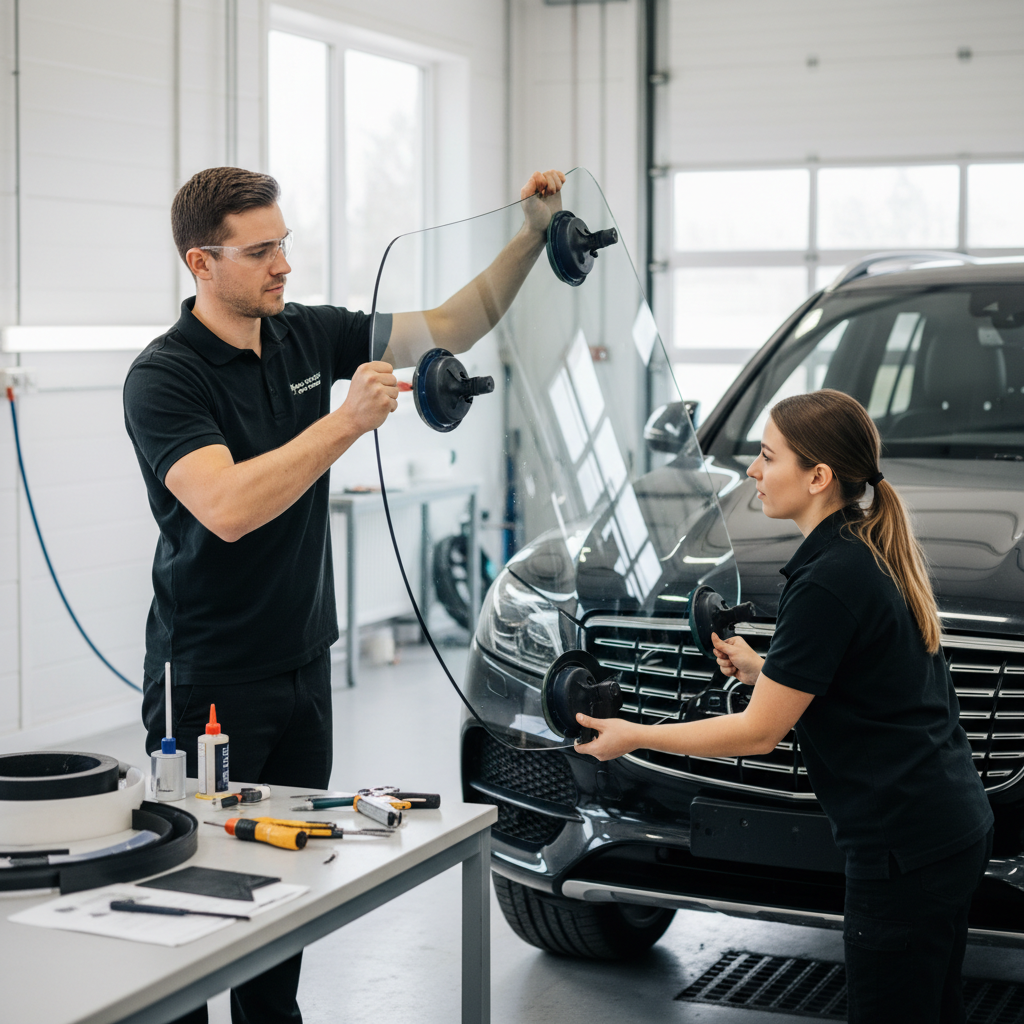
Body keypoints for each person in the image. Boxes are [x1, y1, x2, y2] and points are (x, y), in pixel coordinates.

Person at [123, 164, 565, 1024]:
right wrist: (346, 420)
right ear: (200, 263)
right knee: (199, 896)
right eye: (260, 251)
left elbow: (450, 325)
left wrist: (532, 238)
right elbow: (228, 508)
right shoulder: (164, 377)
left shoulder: (304, 333)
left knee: (286, 891)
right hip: (209, 678)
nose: (283, 264)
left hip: (302, 662)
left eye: (284, 243)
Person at [575, 388, 994, 1024]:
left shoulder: (826, 579)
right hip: (946, 829)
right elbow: (863, 680)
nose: (752, 471)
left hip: (904, 849)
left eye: (768, 457)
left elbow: (757, 733)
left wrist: (635, 735)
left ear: (818, 477)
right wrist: (764, 669)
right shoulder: (860, 547)